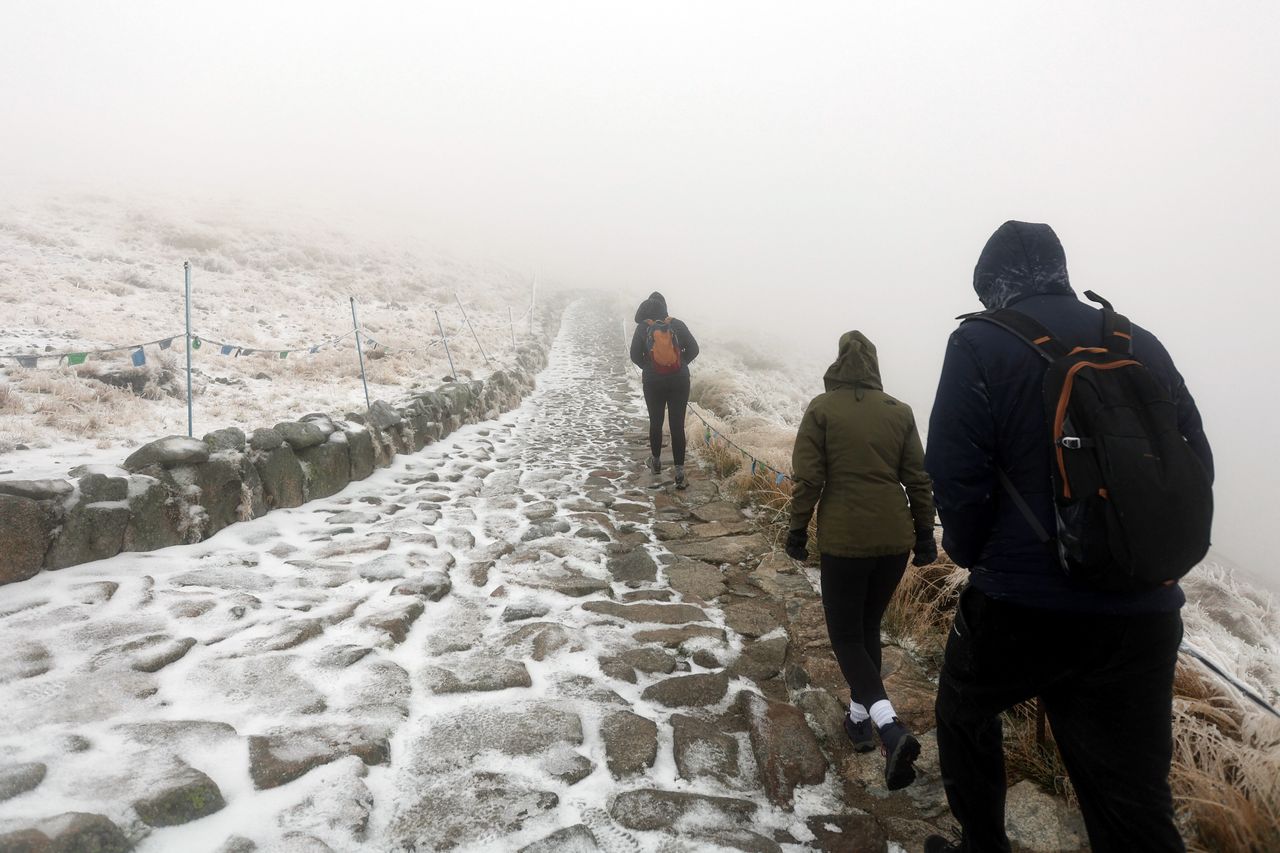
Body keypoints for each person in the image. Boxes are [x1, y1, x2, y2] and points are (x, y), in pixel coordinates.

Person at [923, 221, 1213, 853]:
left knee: (963, 712)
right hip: (1142, 613)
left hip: (1022, 606)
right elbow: (1196, 459)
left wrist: (973, 555)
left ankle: (983, 844)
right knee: (1133, 801)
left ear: (992, 287)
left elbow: (952, 465)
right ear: (1061, 271)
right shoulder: (1139, 342)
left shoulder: (979, 342)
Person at [786, 330, 937, 791]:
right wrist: (925, 535)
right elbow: (918, 478)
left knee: (846, 636)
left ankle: (889, 728)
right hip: (894, 540)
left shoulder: (822, 408)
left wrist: (796, 529)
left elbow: (809, 478)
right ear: (873, 366)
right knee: (867, 626)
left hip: (845, 540)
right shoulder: (900, 411)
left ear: (838, 364)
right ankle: (858, 721)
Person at [629, 292, 699, 489]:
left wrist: (650, 367)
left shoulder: (644, 327)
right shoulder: (677, 324)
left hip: (653, 382)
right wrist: (679, 363)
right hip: (680, 380)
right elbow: (694, 348)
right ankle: (679, 472)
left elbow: (634, 355)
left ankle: (657, 463)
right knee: (677, 425)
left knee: (656, 422)